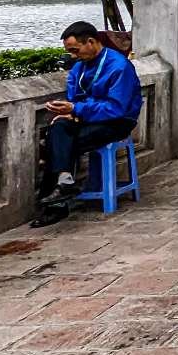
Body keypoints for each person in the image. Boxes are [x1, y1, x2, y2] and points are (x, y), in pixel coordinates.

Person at [33, 21, 143, 227]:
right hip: (86, 117)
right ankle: (64, 181)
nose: (73, 56)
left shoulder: (119, 66)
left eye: (75, 50)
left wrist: (76, 110)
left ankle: (55, 205)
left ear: (91, 42)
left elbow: (116, 108)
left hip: (117, 121)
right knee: (57, 129)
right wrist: (68, 112)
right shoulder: (78, 69)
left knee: (61, 145)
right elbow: (74, 98)